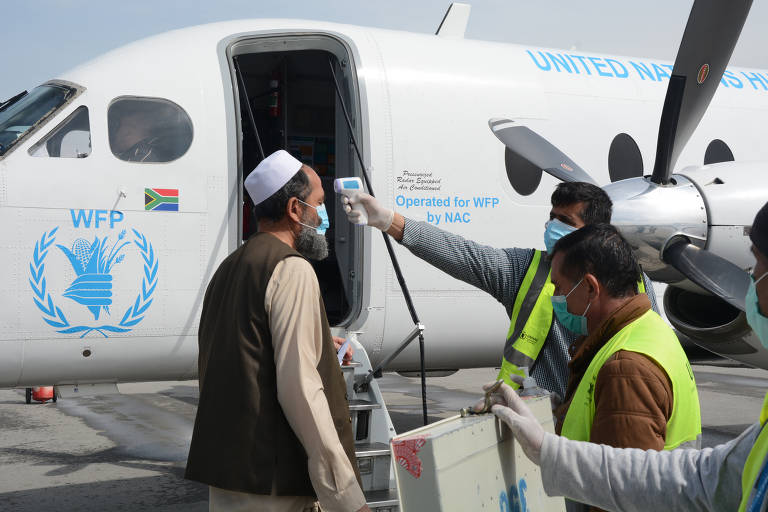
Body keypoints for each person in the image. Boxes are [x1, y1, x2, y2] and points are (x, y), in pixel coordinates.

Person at [484, 201, 768, 512]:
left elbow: (625, 498)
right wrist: (548, 424)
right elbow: (702, 479)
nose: (751, 279)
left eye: (560, 288)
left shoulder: (626, 367)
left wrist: (546, 449)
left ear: (591, 288)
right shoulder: (647, 331)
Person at [343, 182, 658, 400]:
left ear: (594, 231)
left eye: (564, 220)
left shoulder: (632, 279)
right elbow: (464, 254)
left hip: (598, 424)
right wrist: (388, 221)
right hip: (537, 426)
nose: (552, 227)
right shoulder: (527, 271)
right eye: (551, 217)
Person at [185, 149, 369, 512]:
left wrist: (317, 345)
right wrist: (344, 495)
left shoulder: (230, 267)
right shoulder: (292, 269)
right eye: (318, 203)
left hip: (230, 477)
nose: (324, 215)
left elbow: (242, 350)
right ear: (295, 209)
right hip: (276, 485)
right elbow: (300, 389)